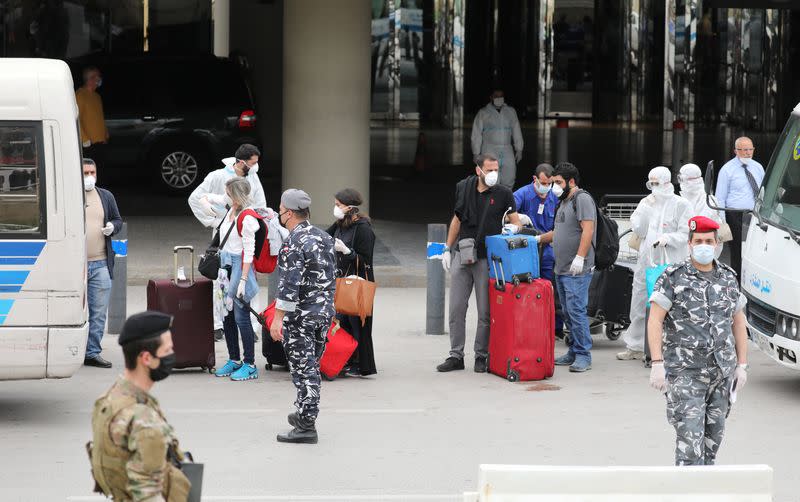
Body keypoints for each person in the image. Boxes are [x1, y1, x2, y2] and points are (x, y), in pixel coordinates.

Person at [648, 216, 749, 466]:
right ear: (690, 244)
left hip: (721, 374)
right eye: (698, 241)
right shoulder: (673, 277)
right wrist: (657, 363)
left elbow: (738, 322)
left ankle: (704, 491)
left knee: (712, 445)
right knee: (690, 450)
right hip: (686, 375)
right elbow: (654, 320)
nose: (704, 245)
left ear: (716, 244)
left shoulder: (727, 277)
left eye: (708, 241)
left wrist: (742, 365)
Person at [88, 311, 191, 500]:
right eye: (167, 351)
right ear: (146, 359)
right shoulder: (143, 418)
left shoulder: (108, 399)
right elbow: (147, 491)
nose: (171, 356)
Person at [437, 154, 522, 373]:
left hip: (487, 257)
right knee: (456, 308)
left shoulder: (504, 194)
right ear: (479, 170)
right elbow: (457, 219)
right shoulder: (464, 188)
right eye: (490, 169)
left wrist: (514, 229)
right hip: (462, 254)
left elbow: (516, 222)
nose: (494, 173)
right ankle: (456, 355)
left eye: (496, 169)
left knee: (485, 311)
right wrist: (447, 248)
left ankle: (481, 355)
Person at [270, 189, 336, 444]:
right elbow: (332, 275)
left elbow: (289, 286)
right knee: (312, 367)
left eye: (280, 209)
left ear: (288, 213)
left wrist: (277, 320)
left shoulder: (293, 242)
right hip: (323, 314)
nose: (279, 213)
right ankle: (302, 413)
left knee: (304, 371)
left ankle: (307, 425)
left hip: (300, 318)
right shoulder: (323, 236)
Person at [188, 143, 266, 341]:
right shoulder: (217, 176)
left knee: (248, 280)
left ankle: (251, 324)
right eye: (252, 162)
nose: (256, 165)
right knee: (220, 280)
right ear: (241, 162)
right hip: (225, 231)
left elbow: (261, 204)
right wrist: (212, 219)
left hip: (246, 229)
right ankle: (217, 324)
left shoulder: (253, 176)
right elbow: (196, 198)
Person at [617, 166, 693, 361]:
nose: (653, 187)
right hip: (647, 261)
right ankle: (635, 345)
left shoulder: (681, 204)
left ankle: (673, 346)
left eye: (657, 183)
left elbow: (686, 233)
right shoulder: (646, 202)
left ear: (667, 182)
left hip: (672, 262)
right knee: (640, 300)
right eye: (651, 183)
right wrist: (644, 209)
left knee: (673, 304)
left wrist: (669, 238)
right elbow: (640, 231)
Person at [540, 162, 595, 373]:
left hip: (576, 270)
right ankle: (573, 349)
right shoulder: (563, 202)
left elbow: (588, 230)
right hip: (561, 268)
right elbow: (558, 232)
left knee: (576, 310)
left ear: (571, 182)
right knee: (567, 313)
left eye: (558, 182)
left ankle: (583, 354)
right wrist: (538, 239)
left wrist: (580, 258)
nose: (554, 187)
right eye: (553, 182)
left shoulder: (582, 199)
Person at [211, 178, 261, 381]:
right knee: (226, 316)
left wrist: (242, 280)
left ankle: (250, 364)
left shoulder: (247, 217)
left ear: (235, 194)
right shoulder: (231, 212)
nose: (225, 195)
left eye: (228, 192)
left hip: (240, 267)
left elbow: (248, 252)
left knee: (241, 317)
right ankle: (234, 359)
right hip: (226, 266)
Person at [327, 188, 377, 377]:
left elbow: (366, 261)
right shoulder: (341, 223)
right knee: (343, 323)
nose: (336, 208)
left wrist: (348, 252)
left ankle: (362, 365)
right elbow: (325, 235)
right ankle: (346, 359)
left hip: (358, 284)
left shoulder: (363, 228)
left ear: (349, 207)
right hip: (342, 281)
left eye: (338, 205)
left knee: (359, 326)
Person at [512, 163, 563, 334]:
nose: (546, 187)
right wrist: (518, 218)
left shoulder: (554, 196)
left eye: (550, 184)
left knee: (550, 289)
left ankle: (554, 328)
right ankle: (526, 324)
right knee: (526, 287)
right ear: (535, 179)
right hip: (527, 250)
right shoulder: (523, 194)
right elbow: (507, 213)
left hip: (548, 249)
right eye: (544, 183)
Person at [83, 158, 122, 368]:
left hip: (100, 263)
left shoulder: (105, 196)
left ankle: (92, 352)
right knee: (74, 311)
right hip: (75, 265)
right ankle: (73, 351)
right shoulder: (70, 196)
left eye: (92, 173)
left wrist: (111, 227)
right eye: (85, 173)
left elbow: (117, 219)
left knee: (98, 312)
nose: (89, 177)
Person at [714, 136, 765, 279]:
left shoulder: (758, 167)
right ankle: (737, 283)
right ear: (735, 151)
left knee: (755, 249)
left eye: (750, 149)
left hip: (754, 214)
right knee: (737, 251)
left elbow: (763, 191)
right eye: (744, 150)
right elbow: (720, 198)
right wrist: (723, 224)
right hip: (734, 215)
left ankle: (753, 280)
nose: (748, 153)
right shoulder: (727, 170)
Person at [470, 89, 524, 189]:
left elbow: (516, 129)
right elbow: (476, 133)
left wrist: (519, 148)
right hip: (489, 149)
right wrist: (476, 152)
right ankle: (492, 202)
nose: (499, 98)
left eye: (501, 96)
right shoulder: (483, 112)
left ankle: (505, 200)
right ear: (491, 97)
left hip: (507, 149)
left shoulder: (510, 111)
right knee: (491, 178)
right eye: (496, 96)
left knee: (510, 176)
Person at [679, 163, 725, 257]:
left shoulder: (706, 201)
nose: (680, 183)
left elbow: (700, 228)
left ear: (690, 180)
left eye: (681, 179)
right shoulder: (691, 198)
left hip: (702, 251)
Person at [76, 66, 108, 164]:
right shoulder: (80, 95)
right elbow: (76, 118)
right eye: (98, 77)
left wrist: (105, 133)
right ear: (91, 78)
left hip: (101, 143)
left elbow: (99, 117)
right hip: (89, 145)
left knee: (101, 172)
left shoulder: (97, 96)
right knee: (90, 176)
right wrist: (85, 140)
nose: (99, 79)